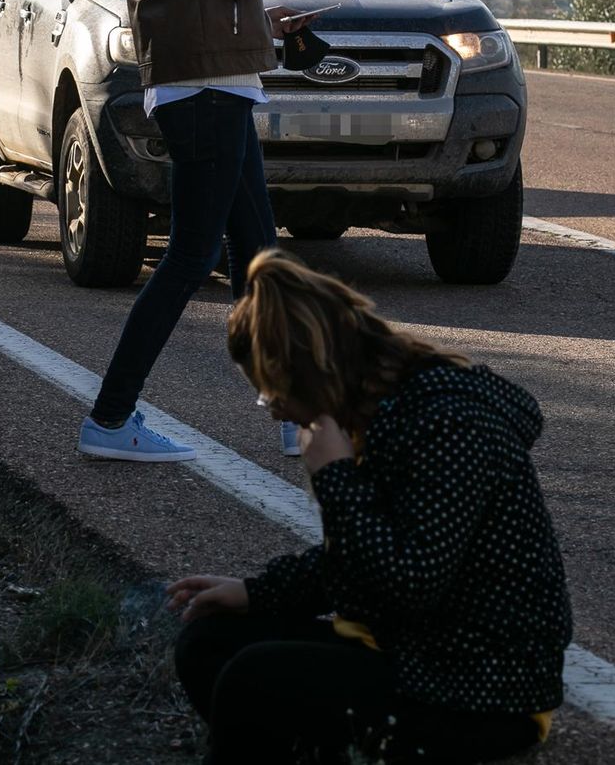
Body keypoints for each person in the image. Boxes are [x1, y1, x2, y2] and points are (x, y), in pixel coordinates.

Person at [169, 250, 573, 764]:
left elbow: (407, 584)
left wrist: (336, 478)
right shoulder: (385, 409)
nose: (276, 412)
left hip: (482, 691)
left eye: (272, 395)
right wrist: (256, 592)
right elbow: (363, 563)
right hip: (418, 651)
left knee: (256, 681)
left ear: (307, 374)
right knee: (207, 644)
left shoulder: (447, 423)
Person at [79, 0, 311, 462]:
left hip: (218, 76)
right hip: (202, 87)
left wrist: (259, 24)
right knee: (190, 255)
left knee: (259, 253)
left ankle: (293, 411)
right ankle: (111, 419)